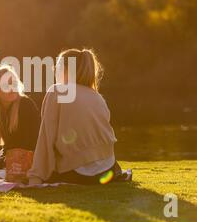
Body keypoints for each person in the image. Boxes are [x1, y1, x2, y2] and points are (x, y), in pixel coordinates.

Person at [28, 48, 130, 185]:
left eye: (57, 67)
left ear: (66, 69)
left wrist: (36, 176)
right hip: (109, 168)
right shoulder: (97, 96)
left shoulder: (57, 91)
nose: (54, 71)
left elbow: (46, 138)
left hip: (80, 173)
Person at [0, 65, 40, 172]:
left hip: (32, 156)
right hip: (8, 158)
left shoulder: (26, 105)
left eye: (14, 83)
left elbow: (27, 145)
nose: (12, 87)